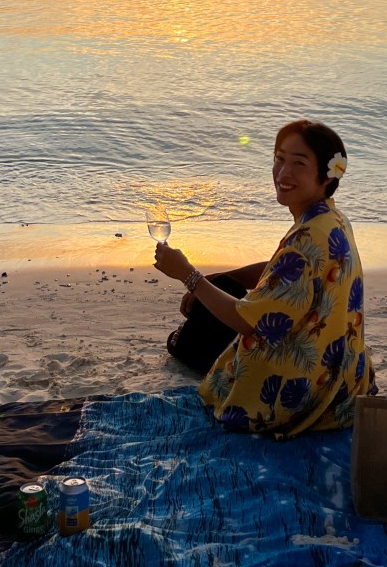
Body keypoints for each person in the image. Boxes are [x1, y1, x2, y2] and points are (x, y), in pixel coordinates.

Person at [153, 119, 374, 438]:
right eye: (279, 158)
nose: (283, 173)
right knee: (223, 289)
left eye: (299, 163)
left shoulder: (307, 238)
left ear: (327, 175)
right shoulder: (330, 219)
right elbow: (282, 268)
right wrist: (220, 277)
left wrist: (189, 276)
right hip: (344, 376)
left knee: (208, 349)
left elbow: (249, 322)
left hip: (304, 392)